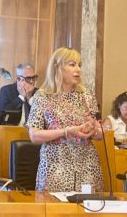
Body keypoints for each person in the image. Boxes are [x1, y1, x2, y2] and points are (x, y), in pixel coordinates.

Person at [27, 47, 104, 192]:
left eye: (79, 65)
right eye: (72, 64)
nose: (78, 69)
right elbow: (34, 135)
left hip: (87, 166)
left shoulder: (87, 95)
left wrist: (95, 130)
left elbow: (99, 134)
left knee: (88, 205)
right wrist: (67, 131)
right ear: (57, 67)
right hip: (56, 167)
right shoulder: (43, 96)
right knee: (54, 206)